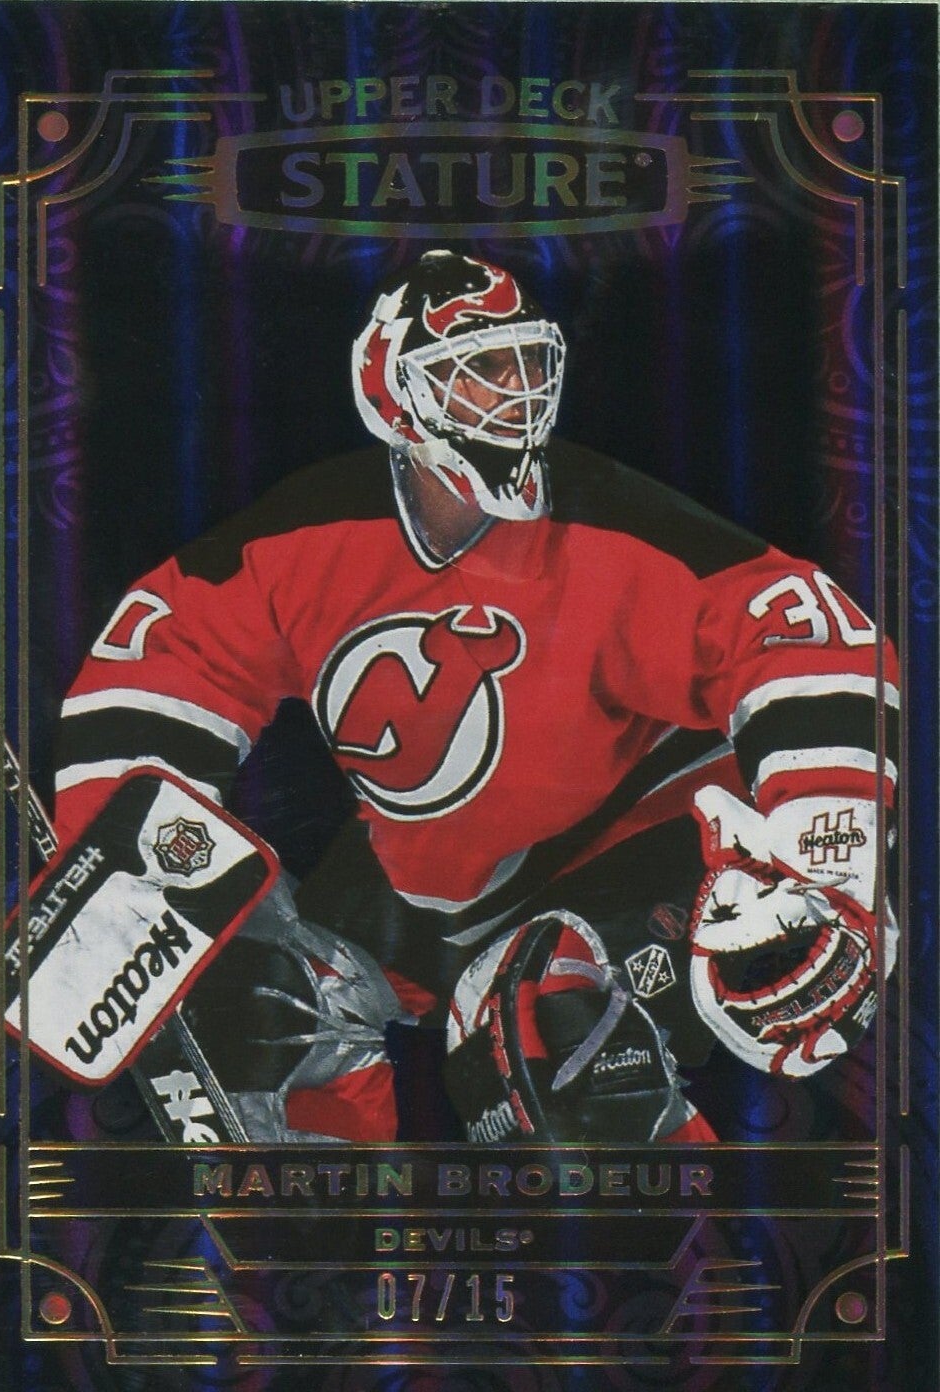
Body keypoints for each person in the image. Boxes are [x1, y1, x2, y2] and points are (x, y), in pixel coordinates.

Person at [53, 250, 898, 1145]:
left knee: (541, 1019)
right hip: (442, 877)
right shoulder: (305, 540)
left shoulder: (615, 526)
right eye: (477, 368)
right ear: (392, 393)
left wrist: (828, 863)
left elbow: (808, 642)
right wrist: (117, 866)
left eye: (527, 361)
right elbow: (166, 659)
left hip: (647, 837)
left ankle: (673, 1227)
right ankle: (320, 1221)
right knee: (264, 1006)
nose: (517, 391)